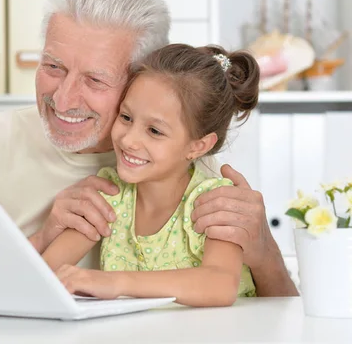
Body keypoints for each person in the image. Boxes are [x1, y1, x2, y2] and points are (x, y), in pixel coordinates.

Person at [0, 0, 298, 297]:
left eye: (95, 79)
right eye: (53, 66)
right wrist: (42, 238)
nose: (64, 99)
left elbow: (241, 295)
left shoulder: (204, 187)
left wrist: (265, 251)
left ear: (139, 80)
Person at [42, 43, 258, 306]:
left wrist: (116, 282)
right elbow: (44, 275)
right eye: (126, 117)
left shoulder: (213, 202)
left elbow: (219, 285)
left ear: (198, 146)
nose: (129, 140)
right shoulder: (110, 194)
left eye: (154, 131)